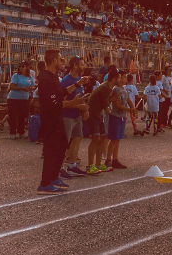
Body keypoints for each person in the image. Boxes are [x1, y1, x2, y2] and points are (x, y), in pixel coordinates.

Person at [36, 49, 88, 194]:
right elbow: (54, 103)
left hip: (56, 118)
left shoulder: (54, 77)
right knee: (51, 151)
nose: (63, 61)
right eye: (60, 59)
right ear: (54, 61)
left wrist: (78, 84)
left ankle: (53, 178)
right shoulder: (45, 78)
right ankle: (44, 184)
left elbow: (61, 93)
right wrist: (74, 104)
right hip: (50, 119)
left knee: (61, 147)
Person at [86, 65, 119, 175]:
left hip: (98, 114)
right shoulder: (105, 88)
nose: (119, 80)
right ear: (114, 79)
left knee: (102, 138)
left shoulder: (108, 87)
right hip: (93, 114)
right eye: (118, 78)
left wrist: (111, 99)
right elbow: (106, 107)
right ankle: (90, 165)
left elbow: (105, 102)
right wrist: (116, 116)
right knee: (95, 138)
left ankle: (98, 163)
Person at [61, 57, 90, 176]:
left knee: (78, 137)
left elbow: (80, 96)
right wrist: (78, 106)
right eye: (82, 65)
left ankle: (72, 165)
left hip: (77, 115)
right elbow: (62, 101)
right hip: (67, 115)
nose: (84, 67)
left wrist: (84, 108)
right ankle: (60, 166)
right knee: (64, 142)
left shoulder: (79, 79)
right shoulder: (66, 81)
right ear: (74, 65)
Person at [106, 71, 135, 169]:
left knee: (118, 139)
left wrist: (133, 108)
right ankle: (108, 159)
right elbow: (117, 105)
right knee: (113, 139)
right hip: (115, 116)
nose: (125, 79)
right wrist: (130, 110)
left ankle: (115, 159)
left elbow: (128, 100)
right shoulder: (116, 89)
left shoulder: (124, 89)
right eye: (124, 77)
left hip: (122, 117)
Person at [7, 62, 34, 140]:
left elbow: (32, 85)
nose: (21, 68)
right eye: (20, 67)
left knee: (22, 116)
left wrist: (31, 88)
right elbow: (12, 86)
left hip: (24, 98)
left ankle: (21, 132)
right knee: (13, 115)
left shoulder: (29, 77)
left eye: (23, 66)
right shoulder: (16, 76)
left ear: (26, 68)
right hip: (14, 98)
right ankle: (12, 132)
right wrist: (21, 88)